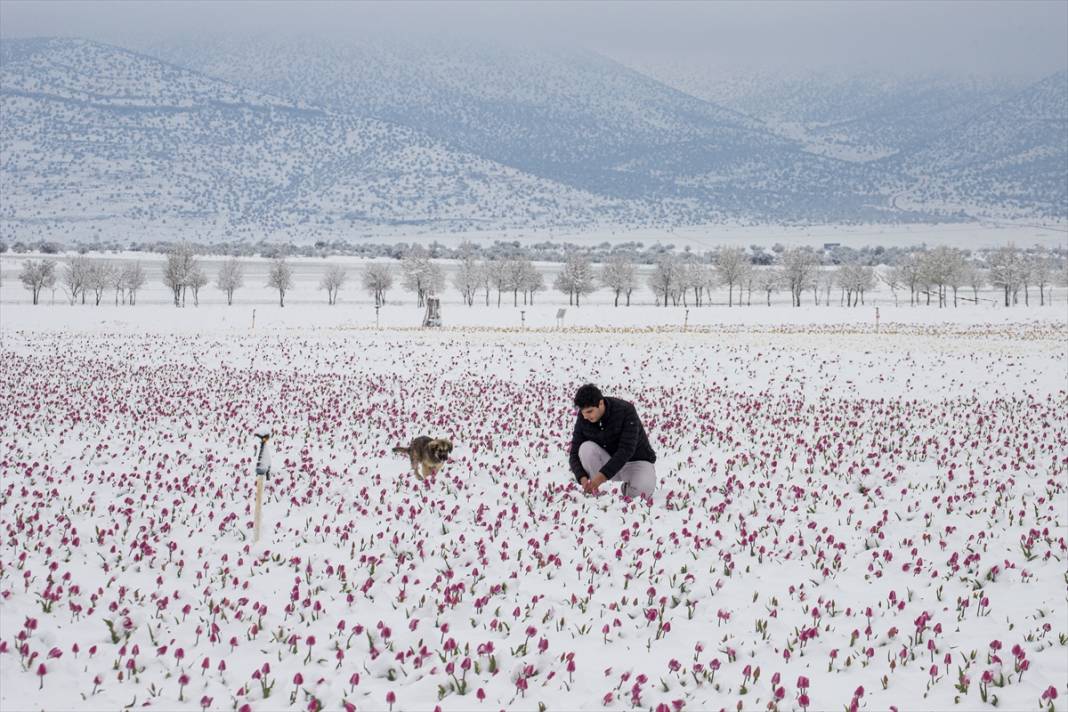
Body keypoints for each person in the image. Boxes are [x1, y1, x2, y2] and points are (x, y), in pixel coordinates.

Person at [568, 383, 657, 498]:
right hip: (607, 461)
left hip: (635, 462)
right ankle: (597, 491)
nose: (585, 417)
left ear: (600, 403)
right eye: (583, 412)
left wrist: (599, 478)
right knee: (586, 449)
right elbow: (574, 453)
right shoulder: (584, 418)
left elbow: (626, 450)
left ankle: (624, 490)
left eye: (589, 411)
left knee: (642, 492)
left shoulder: (625, 411)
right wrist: (582, 478)